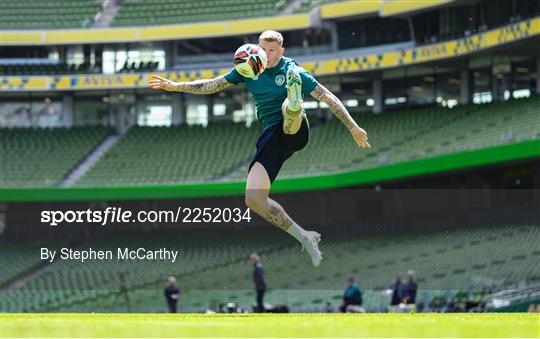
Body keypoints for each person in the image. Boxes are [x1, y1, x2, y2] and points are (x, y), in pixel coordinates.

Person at [149, 30, 371, 267]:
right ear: (257, 48)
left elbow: (327, 97)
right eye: (263, 49)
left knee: (288, 109)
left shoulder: (291, 69)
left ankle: (294, 102)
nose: (267, 54)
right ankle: (305, 236)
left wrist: (353, 127)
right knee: (253, 198)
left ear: (281, 51)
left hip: (296, 130)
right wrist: (175, 86)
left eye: (272, 51)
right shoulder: (248, 68)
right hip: (271, 137)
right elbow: (212, 85)